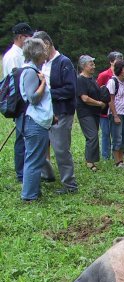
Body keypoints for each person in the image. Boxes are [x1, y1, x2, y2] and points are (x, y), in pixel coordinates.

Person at [33, 31, 78, 195]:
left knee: (60, 148)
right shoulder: (41, 64)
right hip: (44, 113)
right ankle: (47, 175)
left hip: (62, 112)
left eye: (39, 47)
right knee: (41, 146)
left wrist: (46, 92)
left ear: (47, 43)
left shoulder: (64, 62)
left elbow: (70, 89)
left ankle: (70, 184)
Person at [17, 38, 53, 202]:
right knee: (33, 160)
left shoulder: (30, 70)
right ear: (37, 53)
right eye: (43, 50)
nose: (46, 53)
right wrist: (44, 83)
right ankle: (29, 196)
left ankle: (33, 191)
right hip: (34, 122)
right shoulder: (30, 72)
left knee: (35, 158)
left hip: (36, 121)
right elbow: (32, 97)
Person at [3, 22, 33, 184]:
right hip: (20, 103)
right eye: (28, 37)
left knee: (25, 138)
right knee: (21, 139)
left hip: (27, 104)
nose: (30, 40)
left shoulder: (21, 53)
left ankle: (26, 170)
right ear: (21, 37)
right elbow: (16, 82)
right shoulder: (13, 56)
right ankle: (21, 173)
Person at [75, 55, 106, 172]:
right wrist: (99, 103)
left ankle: (92, 160)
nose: (94, 66)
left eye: (93, 64)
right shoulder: (80, 80)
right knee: (92, 136)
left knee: (94, 136)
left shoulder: (92, 79)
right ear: (84, 66)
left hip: (95, 112)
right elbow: (85, 98)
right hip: (85, 112)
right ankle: (89, 162)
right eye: (91, 64)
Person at [97, 51, 123, 160]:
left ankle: (115, 155)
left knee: (117, 134)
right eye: (118, 61)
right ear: (111, 62)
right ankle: (105, 156)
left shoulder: (122, 75)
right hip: (105, 111)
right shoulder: (104, 75)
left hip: (117, 110)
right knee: (106, 133)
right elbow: (98, 90)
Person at [107, 59, 124, 168]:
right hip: (117, 114)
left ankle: (121, 160)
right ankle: (117, 161)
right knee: (117, 138)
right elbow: (110, 99)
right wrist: (115, 115)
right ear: (119, 70)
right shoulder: (113, 82)